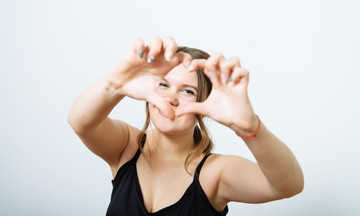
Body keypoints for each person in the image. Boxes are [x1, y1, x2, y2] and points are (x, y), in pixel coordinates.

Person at [68, 36, 304, 215]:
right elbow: (81, 122)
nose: (171, 98)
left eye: (187, 91)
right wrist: (115, 85)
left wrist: (249, 127)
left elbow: (288, 186)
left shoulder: (215, 173)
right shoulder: (127, 146)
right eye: (163, 85)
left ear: (206, 105)